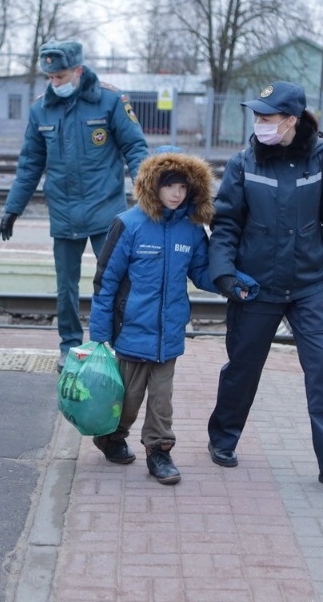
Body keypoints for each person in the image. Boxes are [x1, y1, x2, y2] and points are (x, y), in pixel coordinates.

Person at [206, 80, 323, 486]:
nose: (259, 123)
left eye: (267, 117)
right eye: (257, 116)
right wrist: (224, 273)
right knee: (243, 366)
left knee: (321, 369)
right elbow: (226, 224)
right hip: (256, 285)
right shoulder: (244, 163)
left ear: (291, 120)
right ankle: (222, 438)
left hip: (309, 285)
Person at [89, 147, 255, 485]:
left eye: (182, 187)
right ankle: (111, 437)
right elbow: (106, 281)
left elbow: (202, 271)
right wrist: (100, 332)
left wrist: (232, 282)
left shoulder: (191, 229)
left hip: (169, 333)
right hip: (132, 331)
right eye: (169, 186)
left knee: (162, 401)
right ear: (153, 185)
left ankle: (159, 451)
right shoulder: (128, 224)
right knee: (129, 400)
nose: (177, 194)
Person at [0, 40, 148, 372]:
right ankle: (69, 345)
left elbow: (135, 148)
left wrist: (146, 192)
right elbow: (30, 163)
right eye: (50, 77)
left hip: (106, 211)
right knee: (65, 286)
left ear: (78, 70)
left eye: (61, 76)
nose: (55, 83)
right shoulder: (41, 110)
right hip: (64, 213)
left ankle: (115, 343)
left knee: (114, 280)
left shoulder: (110, 100)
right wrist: (13, 208)